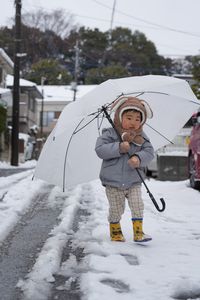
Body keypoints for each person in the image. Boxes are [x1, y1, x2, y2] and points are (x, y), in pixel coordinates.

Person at [95, 96, 154, 243]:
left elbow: (149, 152)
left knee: (137, 205)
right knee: (116, 209)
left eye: (137, 119)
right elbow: (100, 150)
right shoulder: (109, 134)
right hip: (113, 182)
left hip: (134, 180)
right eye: (129, 118)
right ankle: (115, 231)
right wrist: (119, 147)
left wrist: (138, 158)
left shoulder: (141, 137)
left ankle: (138, 232)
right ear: (119, 117)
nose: (133, 122)